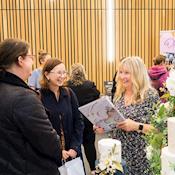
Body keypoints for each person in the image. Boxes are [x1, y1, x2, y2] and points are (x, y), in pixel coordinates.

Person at [0, 39, 61, 175]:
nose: (33, 63)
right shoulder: (24, 98)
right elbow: (48, 142)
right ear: (20, 60)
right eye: (31, 58)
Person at [113, 56, 159, 175]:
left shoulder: (150, 96)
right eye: (121, 72)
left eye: (127, 73)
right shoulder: (119, 95)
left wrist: (136, 126)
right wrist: (104, 125)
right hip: (119, 154)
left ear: (138, 74)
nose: (122, 76)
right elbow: (116, 121)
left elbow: (159, 131)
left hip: (141, 158)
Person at [39, 59, 84, 165]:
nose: (63, 76)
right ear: (47, 74)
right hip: (51, 155)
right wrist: (57, 151)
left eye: (64, 72)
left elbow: (78, 122)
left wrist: (75, 147)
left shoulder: (69, 93)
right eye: (59, 72)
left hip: (72, 153)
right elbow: (41, 131)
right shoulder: (39, 97)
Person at [67, 63, 100, 174]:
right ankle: (93, 169)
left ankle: (78, 171)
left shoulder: (67, 86)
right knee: (89, 145)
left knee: (75, 147)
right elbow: (97, 97)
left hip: (73, 121)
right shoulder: (89, 85)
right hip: (87, 120)